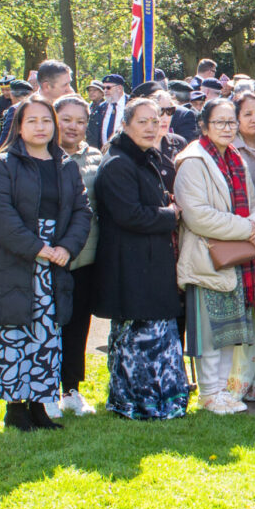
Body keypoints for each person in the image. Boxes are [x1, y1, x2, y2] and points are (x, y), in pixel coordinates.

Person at [0, 98, 92, 432]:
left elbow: (82, 210)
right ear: (19, 126)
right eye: (33, 121)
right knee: (14, 330)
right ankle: (15, 408)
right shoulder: (5, 163)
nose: (41, 127)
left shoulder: (65, 164)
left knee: (48, 334)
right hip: (16, 258)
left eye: (46, 121)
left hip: (55, 259)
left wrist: (67, 247)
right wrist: (37, 247)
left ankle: (40, 403)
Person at [92, 98, 189, 420]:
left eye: (155, 120)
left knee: (157, 334)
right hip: (131, 265)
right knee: (137, 340)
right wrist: (170, 214)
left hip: (150, 261)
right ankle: (136, 403)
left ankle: (164, 400)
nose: (151, 127)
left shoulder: (145, 157)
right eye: (142, 122)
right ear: (125, 125)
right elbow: (129, 215)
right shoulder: (119, 163)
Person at [175, 97, 255, 414]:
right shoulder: (193, 161)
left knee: (231, 332)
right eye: (220, 122)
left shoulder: (235, 159)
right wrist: (247, 227)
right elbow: (196, 215)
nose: (227, 128)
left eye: (231, 122)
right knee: (210, 333)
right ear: (204, 126)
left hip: (237, 258)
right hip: (207, 258)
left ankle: (223, 391)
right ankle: (209, 393)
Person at [48, 95, 104, 419]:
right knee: (49, 326)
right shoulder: (43, 156)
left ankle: (71, 388)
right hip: (51, 257)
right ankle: (44, 389)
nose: (73, 127)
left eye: (80, 121)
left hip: (86, 259)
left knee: (78, 326)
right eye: (66, 119)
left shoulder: (95, 156)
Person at [87, 74, 128, 149]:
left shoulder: (131, 104)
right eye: (103, 88)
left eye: (108, 88)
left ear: (119, 88)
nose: (105, 91)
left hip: (127, 154)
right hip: (104, 155)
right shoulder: (101, 108)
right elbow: (93, 134)